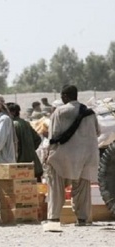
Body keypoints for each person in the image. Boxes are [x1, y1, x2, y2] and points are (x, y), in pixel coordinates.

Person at [45, 85, 99, 226]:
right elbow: (97, 132)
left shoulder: (60, 111)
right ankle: (83, 218)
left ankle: (54, 217)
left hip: (62, 157)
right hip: (85, 156)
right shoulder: (89, 113)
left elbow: (54, 135)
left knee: (56, 187)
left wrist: (47, 154)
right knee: (82, 188)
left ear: (65, 96)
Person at [7, 103, 43, 181]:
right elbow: (37, 139)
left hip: (21, 165)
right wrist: (30, 150)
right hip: (33, 163)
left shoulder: (13, 125)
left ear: (12, 112)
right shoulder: (25, 123)